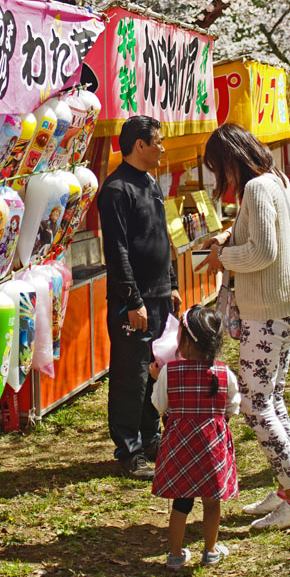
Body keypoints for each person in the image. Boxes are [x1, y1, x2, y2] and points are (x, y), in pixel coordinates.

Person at [201, 123, 290, 529]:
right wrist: (229, 238)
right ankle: (289, 489)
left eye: (219, 168)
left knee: (255, 404)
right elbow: (258, 235)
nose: (221, 178)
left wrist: (223, 258)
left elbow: (262, 252)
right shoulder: (275, 179)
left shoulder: (256, 188)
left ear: (231, 159)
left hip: (266, 311)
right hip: (280, 306)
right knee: (272, 399)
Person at [97, 115, 180, 479]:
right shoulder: (116, 190)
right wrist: (133, 301)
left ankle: (151, 438)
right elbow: (117, 252)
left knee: (155, 370)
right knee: (131, 374)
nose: (163, 147)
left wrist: (172, 283)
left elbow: (161, 237)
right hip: (134, 301)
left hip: (160, 294)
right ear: (140, 145)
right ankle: (128, 449)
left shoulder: (150, 182)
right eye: (158, 141)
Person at [150, 304, 239, 571]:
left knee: (181, 501)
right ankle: (210, 551)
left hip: (181, 449)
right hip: (213, 449)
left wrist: (157, 378)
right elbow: (232, 406)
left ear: (185, 341)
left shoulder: (170, 372)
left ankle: (175, 555)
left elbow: (160, 404)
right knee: (212, 503)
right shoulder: (224, 374)